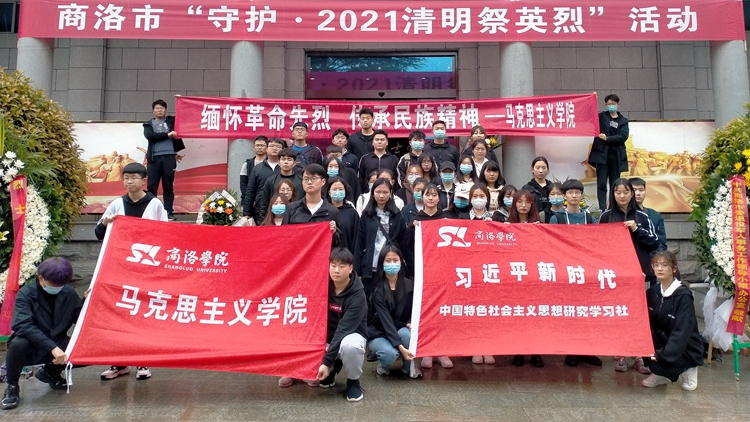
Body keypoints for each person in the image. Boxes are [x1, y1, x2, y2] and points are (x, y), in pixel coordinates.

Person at [94, 163, 166, 381]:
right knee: (120, 314)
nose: (129, 181)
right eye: (126, 178)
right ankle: (119, 362)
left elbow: (166, 234)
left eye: (133, 177)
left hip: (146, 269)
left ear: (144, 181)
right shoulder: (117, 204)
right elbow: (99, 233)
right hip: (120, 269)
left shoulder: (155, 204)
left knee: (142, 314)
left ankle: (143, 361)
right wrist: (106, 223)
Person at [1, 258, 90, 410]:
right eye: (53, 285)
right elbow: (22, 325)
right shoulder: (26, 294)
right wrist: (52, 348)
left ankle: (51, 372)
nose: (57, 288)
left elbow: (79, 320)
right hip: (31, 345)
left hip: (58, 341)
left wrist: (86, 303)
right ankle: (12, 387)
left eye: (61, 285)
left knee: (89, 349)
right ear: (41, 278)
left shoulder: (68, 292)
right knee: (18, 343)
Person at [599, 178, 659, 373]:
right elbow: (598, 245)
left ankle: (639, 355)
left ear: (632, 194)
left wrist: (636, 229)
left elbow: (654, 242)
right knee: (619, 313)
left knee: (639, 314)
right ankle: (621, 354)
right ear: (613, 194)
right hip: (616, 274)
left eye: (626, 192)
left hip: (639, 274)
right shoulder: (606, 216)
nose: (622, 196)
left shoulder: (642, 216)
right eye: (618, 192)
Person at [301, 248, 367, 402]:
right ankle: (333, 369)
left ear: (350, 268)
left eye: (342, 266)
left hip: (350, 335)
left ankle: (353, 381)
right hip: (326, 338)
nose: (336, 270)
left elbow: (343, 330)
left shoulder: (358, 295)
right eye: (333, 265)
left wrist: (326, 362)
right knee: (312, 378)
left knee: (350, 346)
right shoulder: (322, 285)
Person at [548, 180, 599, 367]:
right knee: (570, 312)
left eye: (577, 192)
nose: (574, 196)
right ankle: (571, 350)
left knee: (587, 311)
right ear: (564, 196)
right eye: (570, 192)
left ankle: (588, 350)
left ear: (582, 195)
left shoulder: (589, 218)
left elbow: (596, 242)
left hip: (586, 271)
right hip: (566, 271)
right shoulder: (557, 218)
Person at [408, 184, 457, 369]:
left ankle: (442, 350)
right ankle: (427, 350)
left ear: (439, 198)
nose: (430, 198)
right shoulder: (415, 220)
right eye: (427, 195)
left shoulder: (446, 219)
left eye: (434, 195)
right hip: (423, 273)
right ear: (421, 197)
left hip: (443, 272)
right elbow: (408, 247)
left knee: (443, 310)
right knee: (426, 310)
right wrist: (412, 229)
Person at [642, 251, 703, 390]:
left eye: (664, 265)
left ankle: (688, 369)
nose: (659, 269)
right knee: (649, 350)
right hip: (663, 340)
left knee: (666, 356)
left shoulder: (683, 296)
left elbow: (681, 332)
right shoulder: (652, 292)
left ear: (674, 269)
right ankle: (660, 373)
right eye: (656, 265)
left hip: (684, 346)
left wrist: (662, 355)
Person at [367, 246, 422, 379]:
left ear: (401, 262)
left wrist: (409, 321)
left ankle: (408, 367)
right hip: (379, 332)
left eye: (395, 260)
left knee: (407, 335)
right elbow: (386, 323)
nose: (392, 264)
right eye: (388, 260)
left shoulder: (409, 285)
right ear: (382, 263)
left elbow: (414, 310)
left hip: (400, 328)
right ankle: (383, 365)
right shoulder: (377, 290)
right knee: (389, 354)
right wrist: (401, 348)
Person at [506, 189, 543, 367]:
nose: (523, 205)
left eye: (527, 202)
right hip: (516, 277)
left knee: (536, 316)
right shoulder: (506, 226)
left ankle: (537, 352)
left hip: (535, 277)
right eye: (519, 201)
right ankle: (519, 351)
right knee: (518, 315)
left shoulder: (540, 226)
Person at [354, 177, 408, 298]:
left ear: (391, 193)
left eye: (385, 192)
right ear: (373, 193)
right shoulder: (366, 215)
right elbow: (359, 243)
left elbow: (403, 242)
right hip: (371, 265)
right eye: (378, 192)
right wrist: (357, 271)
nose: (381, 195)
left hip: (390, 266)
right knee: (371, 298)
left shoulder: (397, 215)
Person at [143, 99, 185, 221]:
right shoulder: (148, 124)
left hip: (169, 157)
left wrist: (180, 100)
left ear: (165, 110)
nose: (159, 110)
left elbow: (183, 115)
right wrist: (167, 135)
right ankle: (151, 213)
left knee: (168, 186)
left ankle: (168, 212)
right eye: (157, 108)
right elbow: (150, 136)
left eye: (162, 108)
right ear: (153, 110)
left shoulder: (171, 121)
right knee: (152, 186)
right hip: (154, 158)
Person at [588, 94, 630, 211]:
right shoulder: (602, 117)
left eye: (613, 104)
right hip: (602, 156)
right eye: (608, 104)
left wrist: (608, 138)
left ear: (618, 105)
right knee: (601, 183)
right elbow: (590, 115)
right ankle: (602, 209)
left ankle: (613, 208)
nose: (611, 106)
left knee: (614, 184)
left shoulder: (623, 121)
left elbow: (623, 136)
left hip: (616, 156)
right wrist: (593, 99)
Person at [281, 164, 340, 246]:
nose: (309, 182)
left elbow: (337, 243)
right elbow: (283, 236)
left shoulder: (332, 211)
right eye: (306, 179)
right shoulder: (292, 208)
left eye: (313, 178)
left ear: (323, 182)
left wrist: (333, 232)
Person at [256, 148, 304, 224]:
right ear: (278, 162)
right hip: (273, 222)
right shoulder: (270, 180)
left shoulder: (302, 181)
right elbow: (263, 204)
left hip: (296, 221)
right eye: (283, 159)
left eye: (289, 159)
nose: (286, 162)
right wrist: (263, 223)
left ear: (294, 163)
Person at [242, 138, 284, 221]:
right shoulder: (257, 169)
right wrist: (247, 213)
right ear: (266, 149)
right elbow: (250, 191)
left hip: (283, 209)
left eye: (278, 146)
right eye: (271, 146)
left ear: (283, 150)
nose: (275, 148)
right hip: (261, 210)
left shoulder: (286, 168)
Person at [630, 178, 668, 254]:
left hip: (652, 256)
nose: (638, 193)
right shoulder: (624, 214)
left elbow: (661, 242)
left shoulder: (655, 215)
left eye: (641, 190)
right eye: (634, 190)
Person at [326, 176, 360, 253]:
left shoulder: (352, 213)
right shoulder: (324, 211)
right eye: (334, 189)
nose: (337, 192)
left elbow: (357, 238)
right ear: (329, 192)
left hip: (347, 255)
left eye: (341, 189)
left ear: (345, 191)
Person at [239, 135, 269, 204]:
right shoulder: (247, 164)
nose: (259, 148)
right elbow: (243, 184)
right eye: (257, 145)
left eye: (262, 145)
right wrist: (249, 199)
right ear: (254, 148)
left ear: (267, 148)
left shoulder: (270, 163)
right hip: (249, 200)